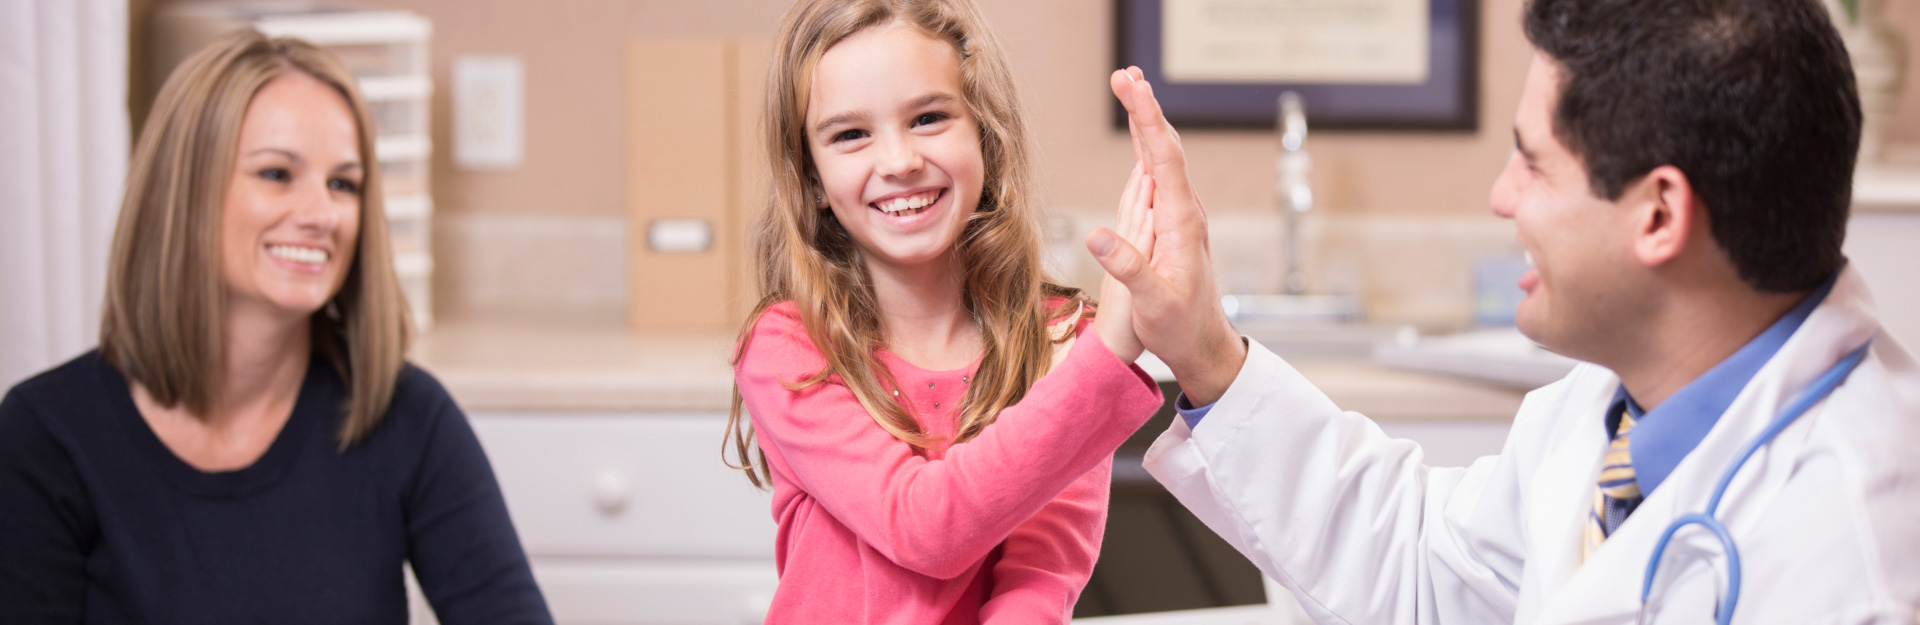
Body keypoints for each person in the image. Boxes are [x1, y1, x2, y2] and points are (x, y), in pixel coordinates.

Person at [1086, 0, 1920, 622]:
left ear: (1659, 214)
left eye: (1532, 163)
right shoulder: (1608, 409)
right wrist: (1205, 353)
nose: (1500, 197)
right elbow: (1426, 570)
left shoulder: (1858, 554)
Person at [0, 31, 552, 624]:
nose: (321, 215)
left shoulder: (406, 418)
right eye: (276, 173)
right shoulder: (48, 436)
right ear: (185, 193)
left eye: (344, 184)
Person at [722, 0, 1164, 622]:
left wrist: (1095, 355)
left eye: (928, 118)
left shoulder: (1063, 342)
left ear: (982, 132)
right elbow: (924, 528)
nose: (899, 161)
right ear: (812, 179)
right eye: (850, 134)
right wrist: (1108, 356)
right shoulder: (791, 348)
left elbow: (1040, 577)